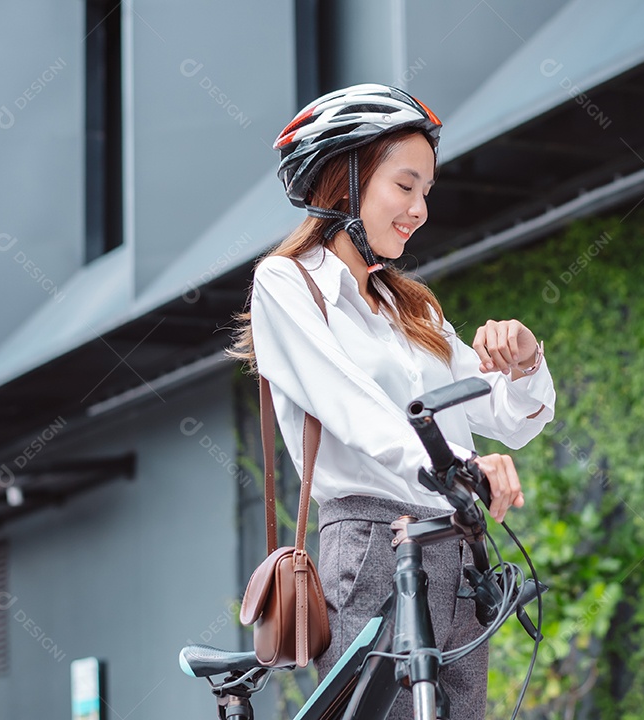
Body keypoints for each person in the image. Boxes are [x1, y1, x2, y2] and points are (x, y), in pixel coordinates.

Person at [227, 83, 555, 719]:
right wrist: (460, 464)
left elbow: (506, 417)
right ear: (343, 180)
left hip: (456, 544)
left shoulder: (414, 304)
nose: (420, 209)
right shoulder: (287, 284)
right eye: (405, 186)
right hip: (374, 540)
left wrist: (524, 360)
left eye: (426, 192)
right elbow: (350, 406)